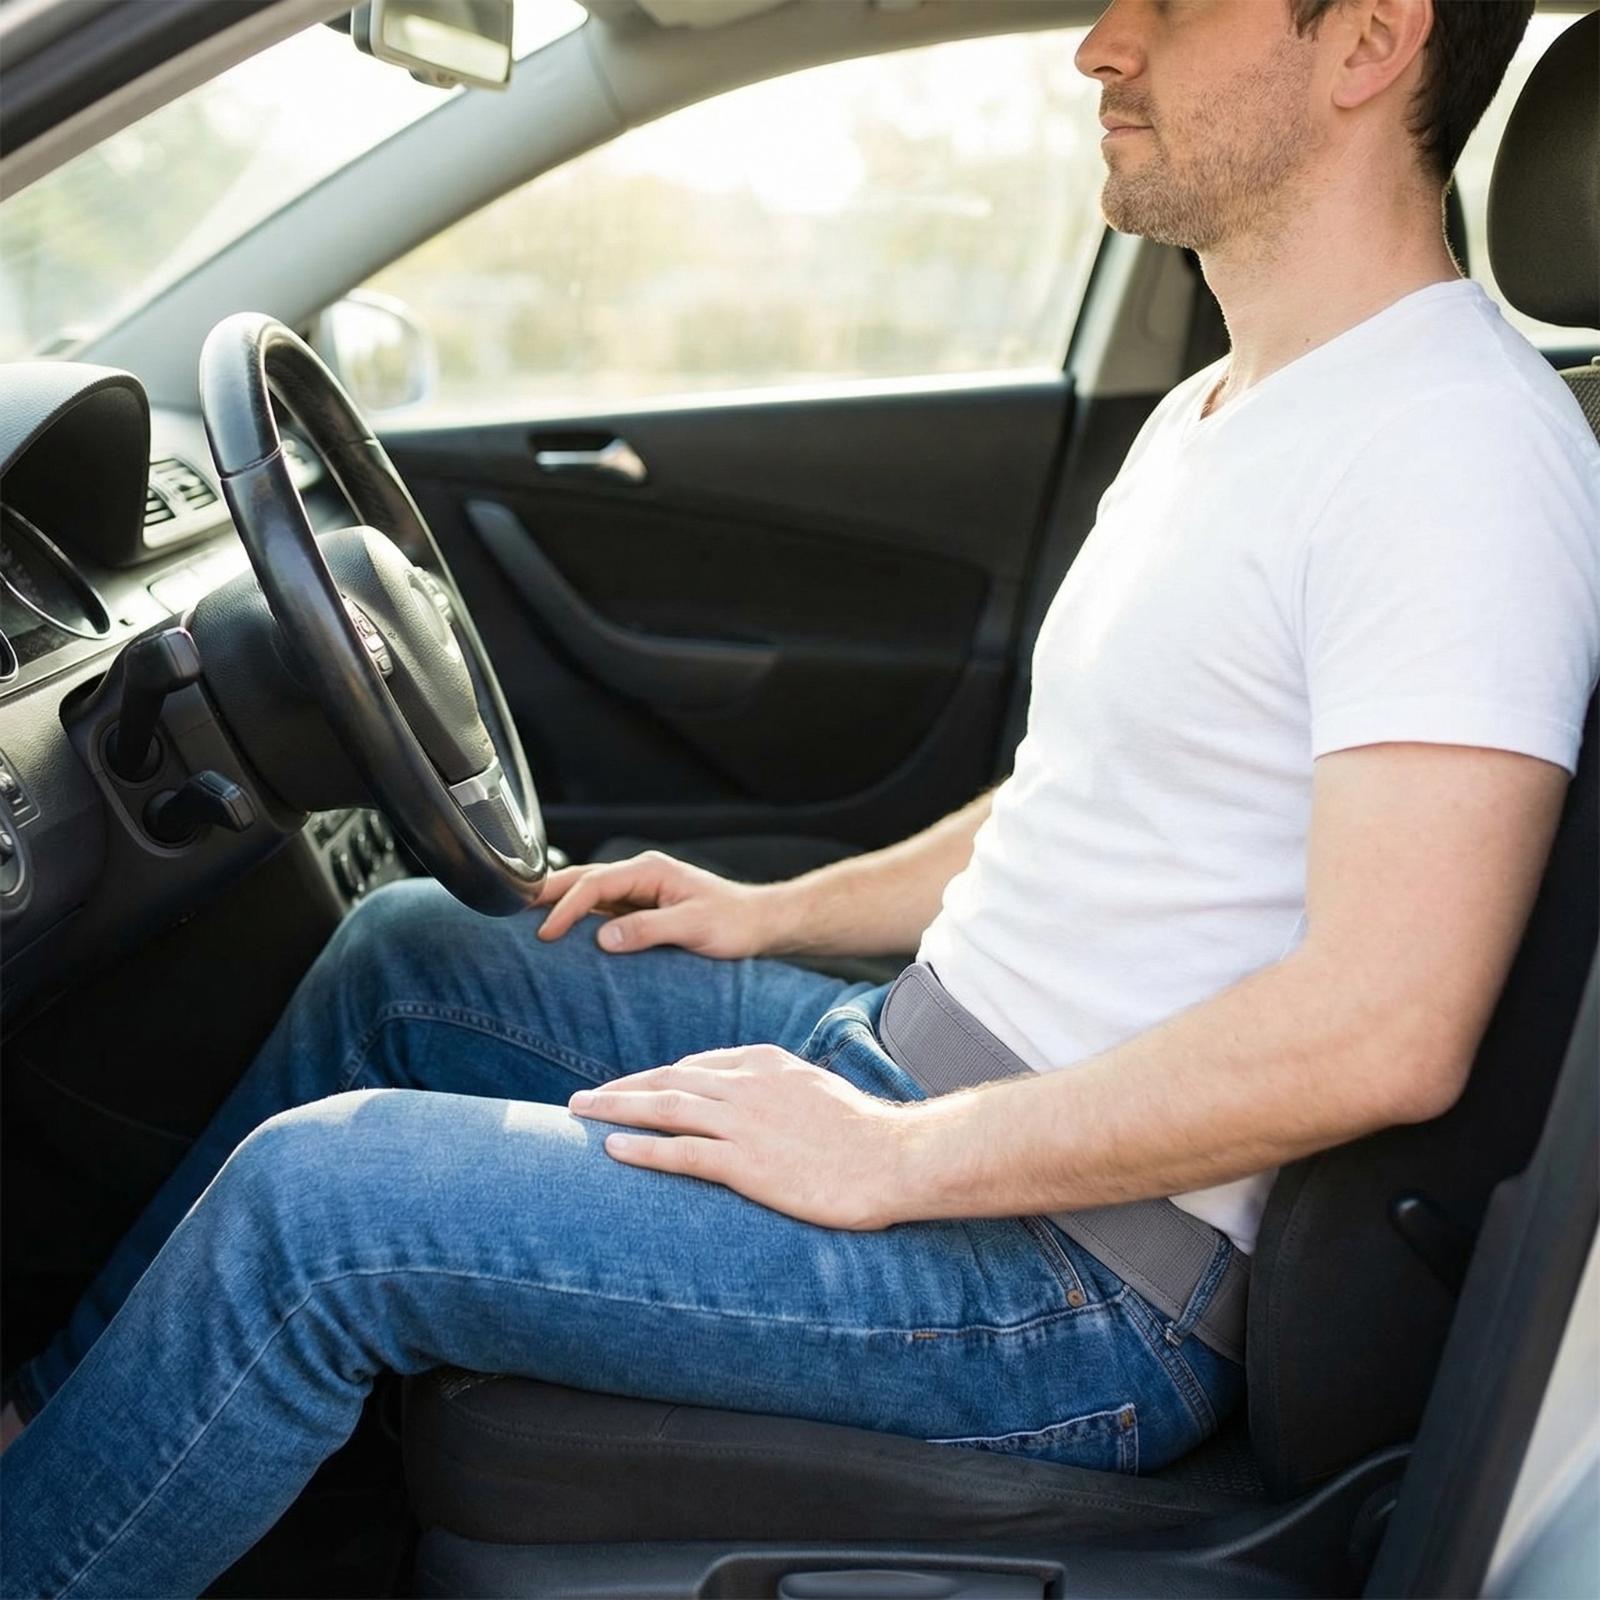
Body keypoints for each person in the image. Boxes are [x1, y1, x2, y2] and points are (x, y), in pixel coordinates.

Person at [5, 0, 1598, 1593]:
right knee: (409, 954)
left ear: (1370, 39)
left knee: (320, 1205)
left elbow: (1385, 1021)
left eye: (1176, 3)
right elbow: (1087, 799)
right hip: (922, 1067)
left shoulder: (1454, 451)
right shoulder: (1225, 408)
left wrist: (894, 1157)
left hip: (1080, 1278)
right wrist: (776, 914)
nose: (1104, 45)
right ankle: (59, 1440)